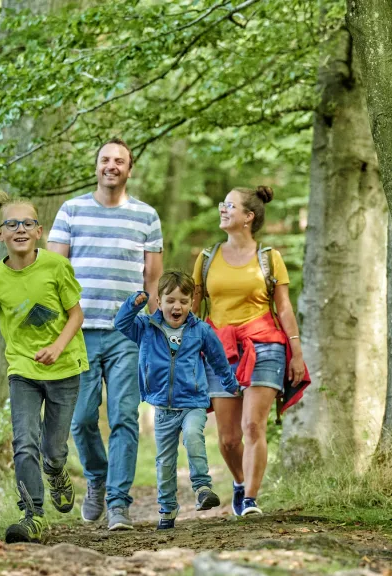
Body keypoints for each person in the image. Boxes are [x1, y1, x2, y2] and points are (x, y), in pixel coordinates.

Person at [47, 138, 163, 530]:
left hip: (126, 333)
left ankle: (118, 503)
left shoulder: (146, 216)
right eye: (105, 160)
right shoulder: (71, 211)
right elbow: (52, 272)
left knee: (124, 417)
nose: (111, 166)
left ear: (130, 170)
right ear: (96, 166)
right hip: (79, 331)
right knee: (79, 420)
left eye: (120, 161)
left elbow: (152, 277)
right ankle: (97, 477)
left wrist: (153, 327)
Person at [0, 192, 89, 543]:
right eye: (11, 224)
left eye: (27, 223)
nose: (20, 229)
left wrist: (57, 346)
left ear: (39, 231)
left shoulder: (55, 267)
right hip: (23, 370)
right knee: (24, 441)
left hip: (65, 367)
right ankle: (32, 513)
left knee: (53, 449)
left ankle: (56, 470)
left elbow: (76, 314)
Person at [192, 186, 307, 517]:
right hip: (219, 349)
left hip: (265, 344)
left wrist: (296, 352)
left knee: (253, 426)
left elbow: (283, 308)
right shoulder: (207, 258)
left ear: (248, 216)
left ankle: (252, 500)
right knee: (228, 439)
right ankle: (241, 482)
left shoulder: (269, 258)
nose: (222, 210)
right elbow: (192, 306)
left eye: (229, 205)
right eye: (221, 204)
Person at [113, 272, 239, 530]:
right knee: (165, 461)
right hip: (162, 407)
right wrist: (133, 305)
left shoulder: (200, 330)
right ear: (159, 301)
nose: (177, 306)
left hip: (193, 401)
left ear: (192, 301)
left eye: (183, 300)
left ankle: (202, 487)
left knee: (194, 435)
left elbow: (218, 360)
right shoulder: (146, 327)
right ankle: (167, 509)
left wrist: (231, 385)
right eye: (170, 300)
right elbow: (121, 324)